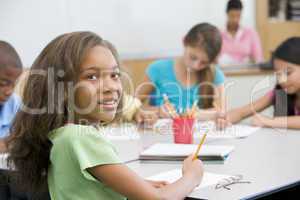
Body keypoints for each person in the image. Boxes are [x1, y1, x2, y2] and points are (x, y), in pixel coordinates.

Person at [8, 31, 204, 200]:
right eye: (91, 76)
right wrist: (192, 177)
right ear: (62, 88)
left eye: (114, 75)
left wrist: (139, 184)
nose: (110, 87)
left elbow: (84, 187)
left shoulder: (62, 135)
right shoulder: (79, 137)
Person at [137, 23, 226, 120]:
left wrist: (197, 114)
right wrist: (157, 110)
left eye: (204, 63)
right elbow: (131, 107)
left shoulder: (215, 75)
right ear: (184, 42)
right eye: (193, 57)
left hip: (196, 134)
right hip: (161, 132)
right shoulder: (157, 69)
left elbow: (221, 112)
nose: (196, 66)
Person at [217, 37, 300, 129]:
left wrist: (269, 121)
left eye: (288, 73)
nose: (281, 80)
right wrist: (225, 118)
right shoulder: (280, 92)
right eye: (278, 74)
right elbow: (241, 112)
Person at [218, 0, 263, 65]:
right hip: (224, 71)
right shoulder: (218, 34)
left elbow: (259, 58)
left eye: (238, 16)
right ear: (227, 14)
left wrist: (253, 59)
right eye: (232, 16)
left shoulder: (251, 33)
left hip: (246, 71)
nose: (235, 20)